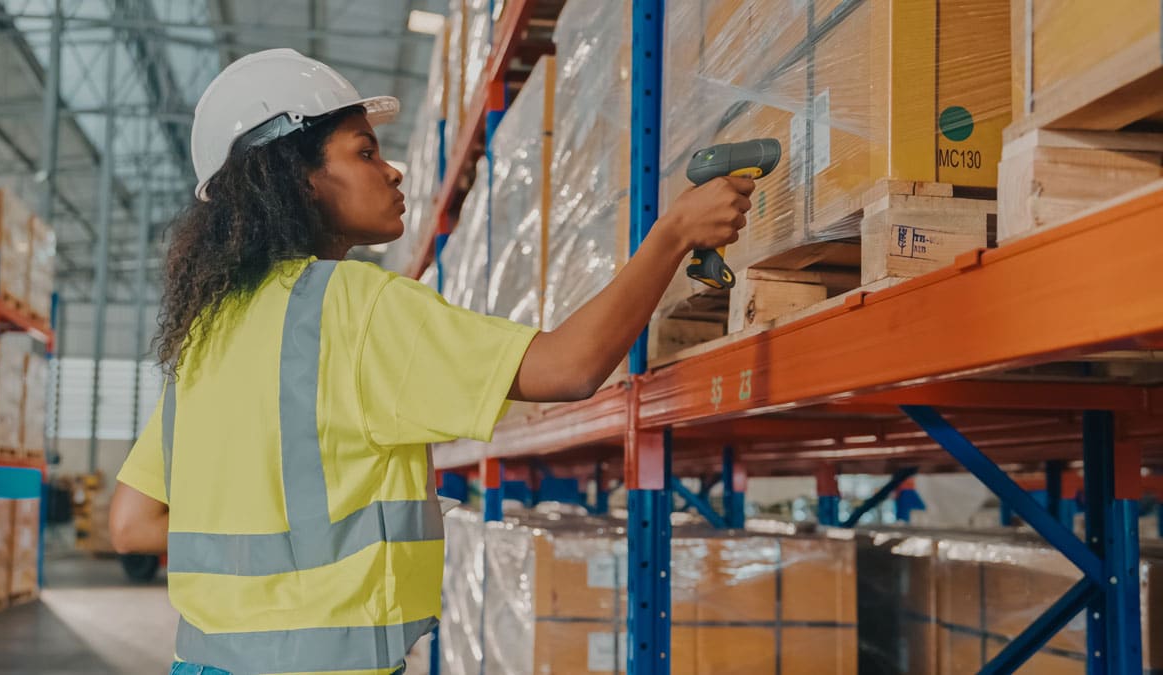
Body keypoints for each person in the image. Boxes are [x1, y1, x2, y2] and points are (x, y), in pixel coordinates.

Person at [109, 48, 753, 675]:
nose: (392, 171)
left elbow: (133, 525)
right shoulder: (355, 306)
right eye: (364, 151)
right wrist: (674, 234)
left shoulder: (205, 337)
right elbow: (571, 367)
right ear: (296, 180)